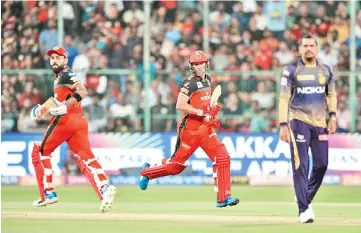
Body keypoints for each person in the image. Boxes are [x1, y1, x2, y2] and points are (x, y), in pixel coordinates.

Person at [139, 50, 239, 208]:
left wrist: (211, 110)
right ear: (192, 66)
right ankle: (147, 171)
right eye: (196, 64)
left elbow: (205, 103)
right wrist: (201, 111)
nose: (199, 67)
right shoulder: (189, 83)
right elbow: (180, 105)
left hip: (206, 129)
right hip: (189, 131)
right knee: (175, 167)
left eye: (201, 63)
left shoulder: (208, 79)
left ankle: (223, 198)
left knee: (222, 157)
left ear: (207, 64)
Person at [30, 46, 116, 213]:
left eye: (58, 58)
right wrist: (41, 109)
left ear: (65, 60)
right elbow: (56, 100)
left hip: (64, 121)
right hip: (79, 122)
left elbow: (83, 92)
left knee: (40, 153)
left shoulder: (66, 75)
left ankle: (48, 193)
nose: (54, 61)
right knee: (87, 158)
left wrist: (65, 105)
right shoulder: (61, 78)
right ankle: (104, 188)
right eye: (52, 58)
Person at [278, 34, 337, 223]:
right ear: (300, 49)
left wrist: (333, 115)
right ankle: (304, 210)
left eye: (312, 45)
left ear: (317, 48)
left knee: (322, 164)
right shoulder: (292, 70)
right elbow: (283, 99)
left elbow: (331, 95)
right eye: (305, 46)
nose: (309, 49)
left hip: (319, 125)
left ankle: (305, 195)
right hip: (298, 123)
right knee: (300, 165)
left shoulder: (325, 70)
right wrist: (283, 125)